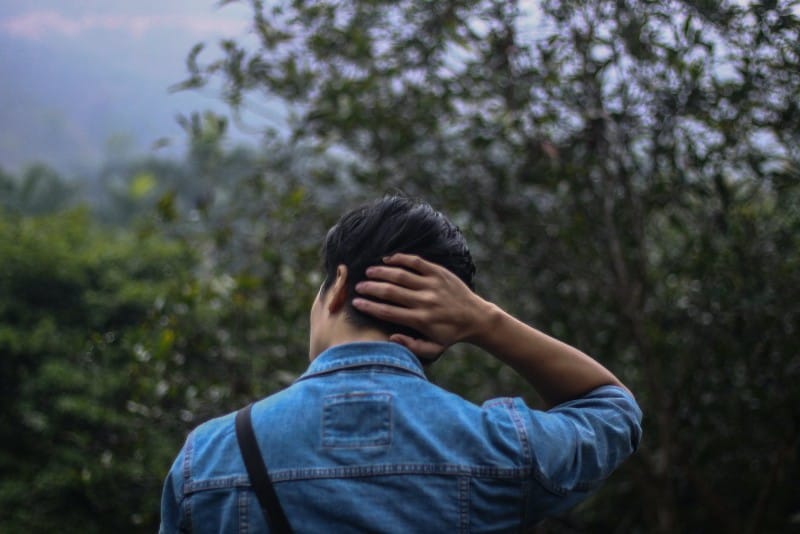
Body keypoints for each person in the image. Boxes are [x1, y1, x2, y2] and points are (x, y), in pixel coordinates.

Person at [160, 196, 642, 533]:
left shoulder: (209, 457)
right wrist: (485, 321)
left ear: (339, 287)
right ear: (443, 324)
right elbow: (612, 410)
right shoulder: (499, 447)